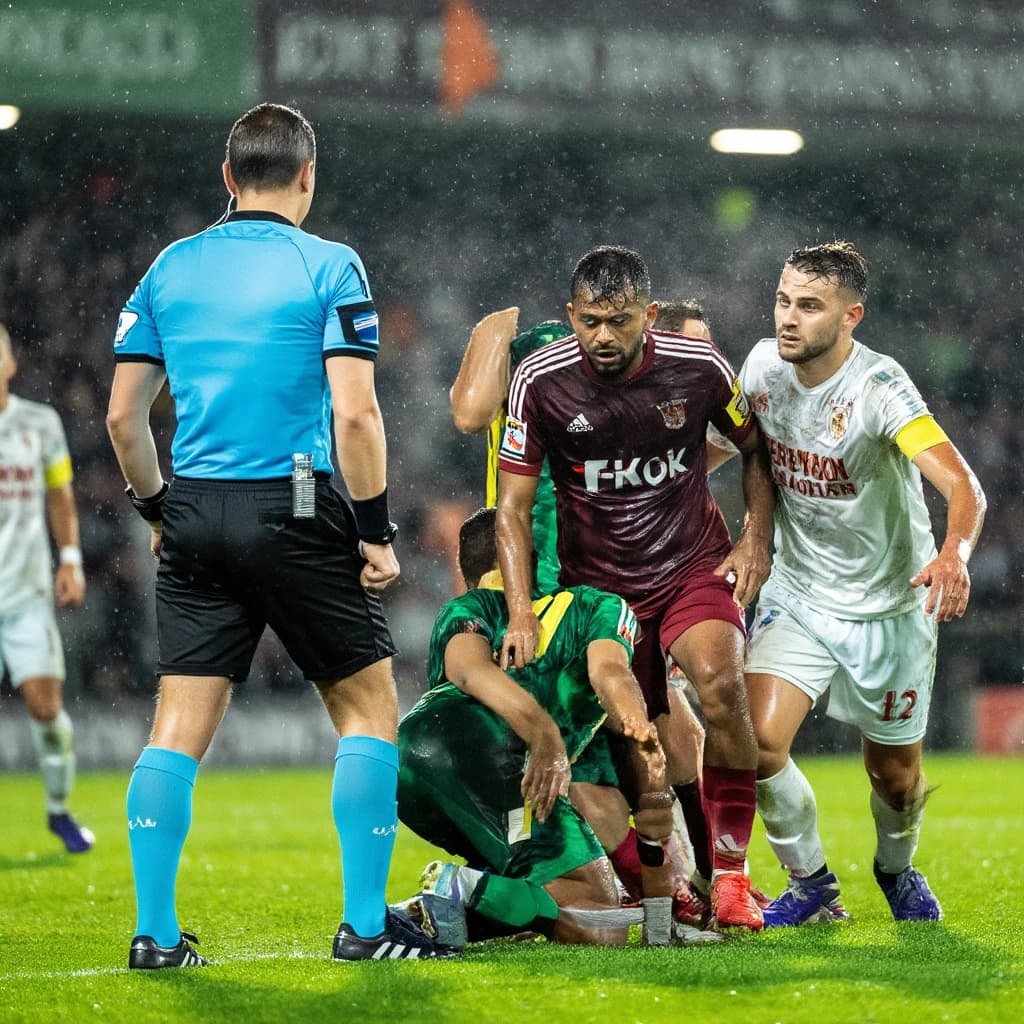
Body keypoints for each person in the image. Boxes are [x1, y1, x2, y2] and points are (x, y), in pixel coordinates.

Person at [106, 102, 442, 968]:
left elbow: (122, 418)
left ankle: (156, 934)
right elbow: (357, 414)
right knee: (368, 710)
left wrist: (156, 511)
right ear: (307, 177)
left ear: (227, 178)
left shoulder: (170, 267)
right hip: (294, 504)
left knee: (175, 725)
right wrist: (375, 532)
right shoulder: (329, 264)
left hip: (194, 509)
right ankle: (367, 929)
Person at [496, 245, 776, 931]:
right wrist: (520, 612)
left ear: (649, 316)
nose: (603, 336)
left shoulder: (700, 367)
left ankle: (733, 876)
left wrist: (755, 539)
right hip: (604, 598)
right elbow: (509, 508)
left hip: (691, 566)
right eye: (590, 321)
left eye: (619, 321)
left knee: (719, 683)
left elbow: (755, 447)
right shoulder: (540, 380)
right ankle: (674, 888)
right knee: (640, 752)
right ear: (570, 316)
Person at [740, 241, 986, 925]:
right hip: (800, 592)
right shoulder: (762, 365)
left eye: (809, 306)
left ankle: (896, 867)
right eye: (784, 300)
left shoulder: (879, 390)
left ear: (851, 316)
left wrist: (953, 553)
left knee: (896, 779)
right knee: (756, 746)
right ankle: (812, 885)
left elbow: (963, 485)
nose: (788, 318)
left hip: (889, 607)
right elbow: (743, 451)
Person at [450, 304, 714, 921]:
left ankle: (699, 878)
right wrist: (495, 324)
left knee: (667, 729)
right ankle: (668, 885)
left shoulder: (660, 391)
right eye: (689, 348)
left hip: (624, 578)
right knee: (595, 749)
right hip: (546, 589)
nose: (696, 367)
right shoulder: (546, 352)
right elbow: (468, 414)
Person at [396, 507, 675, 947]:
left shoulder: (467, 606)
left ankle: (432, 914)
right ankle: (461, 890)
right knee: (601, 921)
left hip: (412, 762)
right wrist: (558, 734)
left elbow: (462, 672)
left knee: (540, 889)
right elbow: (610, 675)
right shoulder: (597, 606)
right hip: (496, 753)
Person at [0, 324, 91, 854]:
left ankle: (59, 810)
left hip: (25, 593)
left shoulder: (39, 423)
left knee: (43, 705)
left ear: (11, 365)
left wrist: (71, 560)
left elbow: (59, 496)